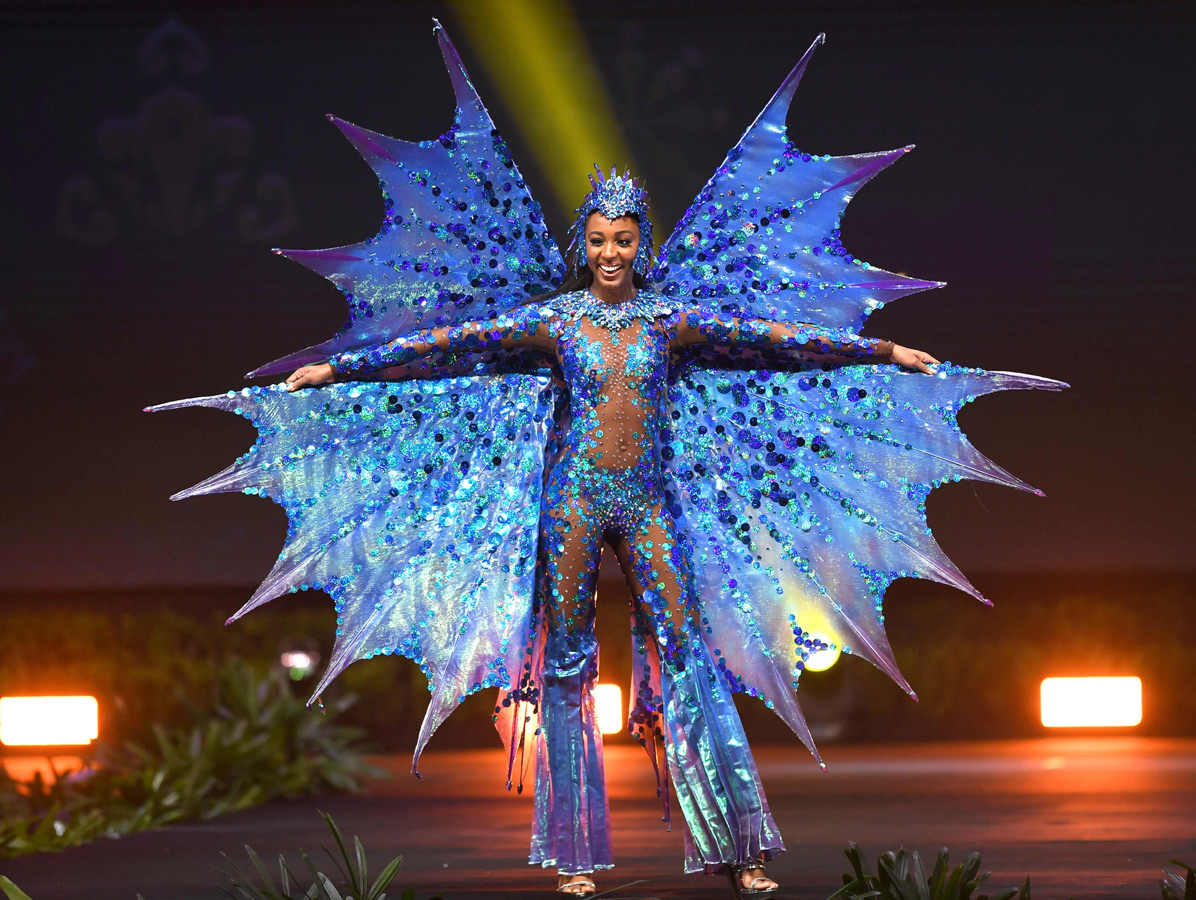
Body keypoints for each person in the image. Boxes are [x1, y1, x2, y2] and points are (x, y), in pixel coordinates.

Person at [284, 171, 939, 897]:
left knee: (690, 653)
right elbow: (444, 343)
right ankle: (574, 856)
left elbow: (774, 341)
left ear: (641, 244)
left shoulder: (668, 320)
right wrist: (338, 369)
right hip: (572, 505)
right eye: (597, 241)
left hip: (648, 504)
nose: (609, 253)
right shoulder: (556, 321)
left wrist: (880, 352)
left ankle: (740, 848)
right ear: (582, 245)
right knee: (568, 666)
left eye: (622, 240)